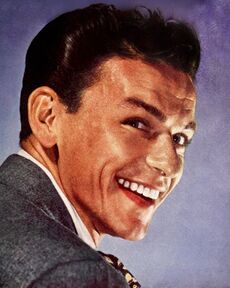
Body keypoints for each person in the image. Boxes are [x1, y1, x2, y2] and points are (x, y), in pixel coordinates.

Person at [0, 3, 200, 287]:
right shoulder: (77, 275)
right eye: (137, 123)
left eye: (180, 139)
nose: (167, 163)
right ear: (47, 117)